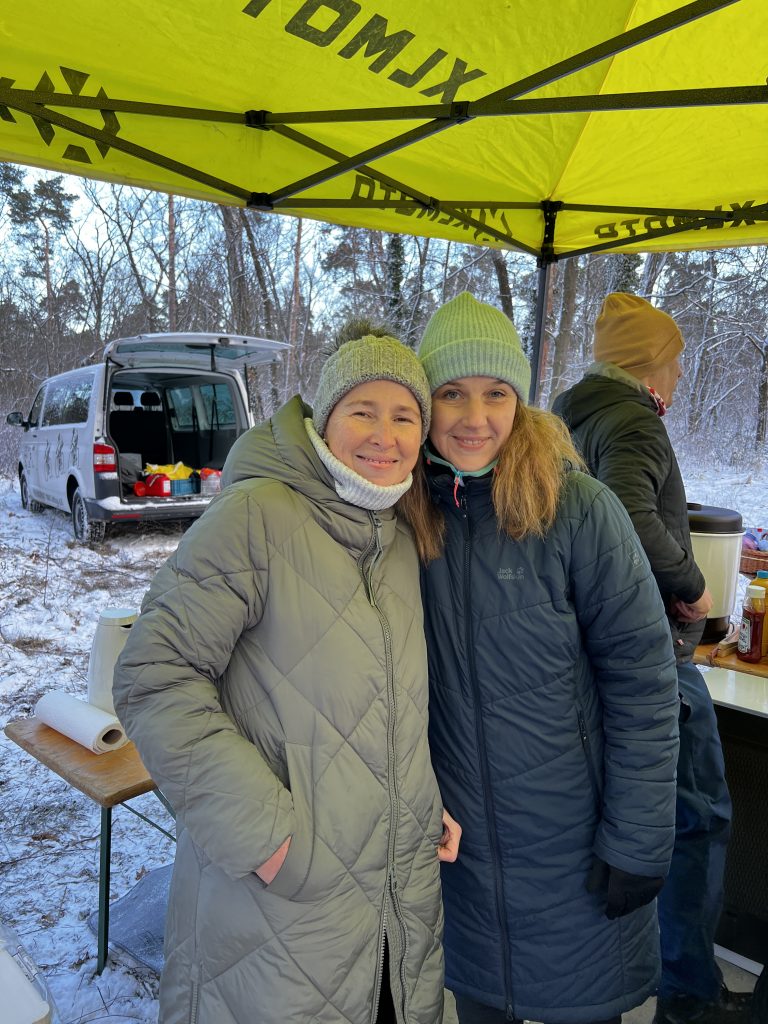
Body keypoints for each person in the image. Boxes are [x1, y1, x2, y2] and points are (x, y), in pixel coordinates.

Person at [113, 328, 461, 1024]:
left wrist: (418, 803)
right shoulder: (257, 515)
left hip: (396, 904)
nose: (384, 436)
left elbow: (374, 709)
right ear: (324, 417)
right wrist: (265, 837)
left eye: (404, 416)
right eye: (363, 410)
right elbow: (155, 675)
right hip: (277, 909)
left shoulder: (397, 537)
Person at [397, 291, 680, 1024]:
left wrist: (638, 836)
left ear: (519, 401)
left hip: (576, 852)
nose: (475, 417)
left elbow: (644, 683)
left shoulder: (578, 508)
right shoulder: (404, 514)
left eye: (496, 393)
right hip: (461, 864)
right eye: (451, 394)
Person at [553, 292, 749, 1024]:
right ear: (649, 364)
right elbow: (631, 513)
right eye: (674, 359)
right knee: (698, 817)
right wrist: (691, 584)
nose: (680, 373)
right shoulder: (633, 418)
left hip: (588, 648)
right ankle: (689, 992)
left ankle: (623, 974)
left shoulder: (569, 413)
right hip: (652, 653)